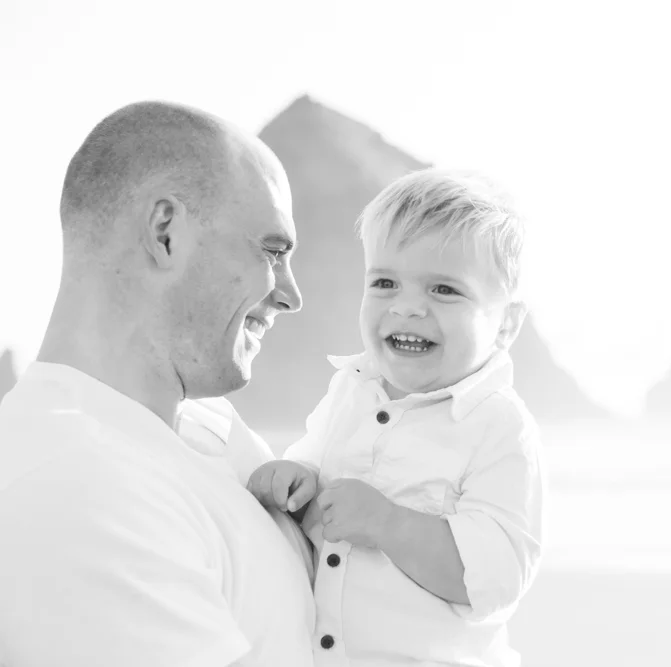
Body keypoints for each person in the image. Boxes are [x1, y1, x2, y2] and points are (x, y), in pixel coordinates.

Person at [0, 101, 315, 666]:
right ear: (166, 231)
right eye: (273, 251)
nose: (292, 295)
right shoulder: (74, 480)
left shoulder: (212, 429)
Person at [247, 168, 546, 667]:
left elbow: (494, 580)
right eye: (385, 282)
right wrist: (292, 479)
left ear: (506, 324)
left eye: (444, 290)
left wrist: (390, 524)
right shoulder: (350, 390)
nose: (407, 307)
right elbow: (313, 472)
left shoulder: (498, 427)